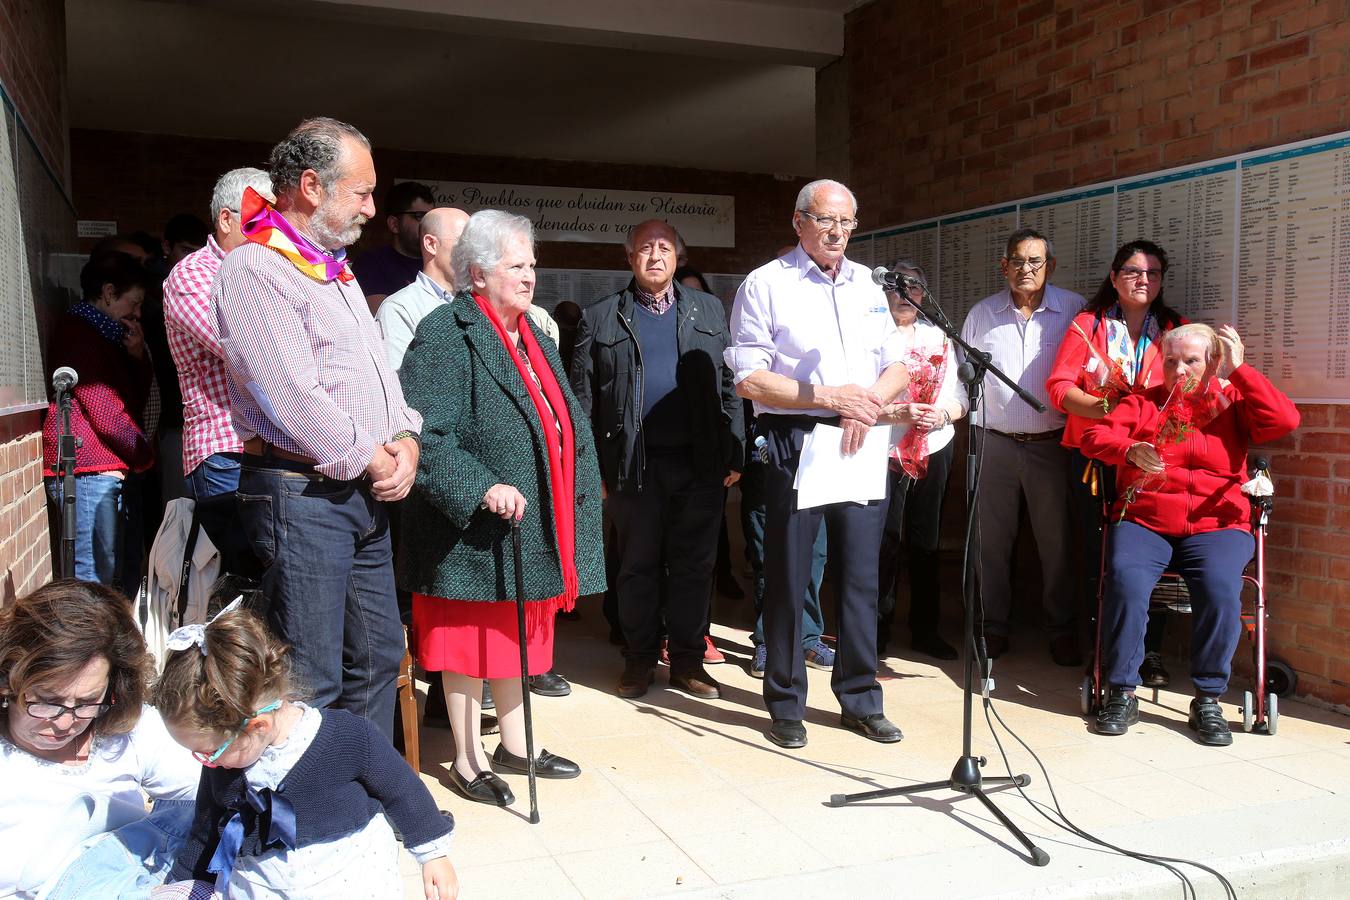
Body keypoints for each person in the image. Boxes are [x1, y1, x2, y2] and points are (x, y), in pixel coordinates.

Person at [213, 117, 423, 741]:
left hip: (358, 488)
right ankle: (312, 816)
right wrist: (371, 456)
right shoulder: (257, 267)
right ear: (310, 186)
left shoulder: (334, 269)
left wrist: (407, 438)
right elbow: (286, 394)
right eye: (360, 192)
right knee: (313, 673)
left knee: (380, 655)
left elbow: (380, 376)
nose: (371, 207)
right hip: (303, 493)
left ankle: (360, 795)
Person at [398, 210, 605, 807]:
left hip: (530, 527)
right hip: (472, 531)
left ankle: (517, 743)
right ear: (479, 273)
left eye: (532, 264)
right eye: (517, 265)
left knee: (521, 639)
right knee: (471, 644)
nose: (530, 276)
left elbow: (559, 422)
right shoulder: (447, 332)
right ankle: (467, 759)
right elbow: (423, 433)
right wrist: (480, 485)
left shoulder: (534, 335)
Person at [726, 178, 909, 749]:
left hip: (861, 435)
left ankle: (859, 698)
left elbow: (896, 363)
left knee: (859, 576)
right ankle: (785, 701)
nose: (837, 233)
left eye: (848, 223)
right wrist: (833, 398)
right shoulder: (766, 283)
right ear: (798, 221)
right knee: (788, 575)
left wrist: (867, 403)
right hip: (796, 438)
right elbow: (750, 376)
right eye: (826, 221)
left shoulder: (869, 285)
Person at [1081, 324, 1298, 746]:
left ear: (1212, 362)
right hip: (1147, 519)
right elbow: (1094, 435)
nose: (1179, 370)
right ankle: (1122, 690)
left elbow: (1284, 420)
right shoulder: (1145, 403)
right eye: (1171, 361)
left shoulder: (1232, 399)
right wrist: (1127, 450)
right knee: (1124, 580)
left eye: (1191, 361)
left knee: (1221, 588)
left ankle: (1208, 697)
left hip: (1217, 522)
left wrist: (1240, 371)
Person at [154, 603, 458, 898]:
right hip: (263, 885)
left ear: (257, 726)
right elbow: (205, 829)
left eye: (209, 752)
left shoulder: (347, 738)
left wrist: (434, 855)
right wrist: (184, 884)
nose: (207, 763)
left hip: (351, 880)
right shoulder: (224, 767)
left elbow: (402, 790)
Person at [572, 220, 744, 701]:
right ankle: (640, 659)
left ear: (678, 257)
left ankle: (689, 661)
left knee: (694, 565)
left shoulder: (708, 309)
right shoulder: (602, 317)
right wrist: (592, 470)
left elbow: (730, 387)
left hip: (701, 465)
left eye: (664, 248)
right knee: (637, 567)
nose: (655, 256)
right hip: (632, 467)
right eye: (644, 249)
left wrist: (734, 451)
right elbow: (581, 402)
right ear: (629, 259)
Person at [0, 580, 200, 899]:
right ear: (9, 681)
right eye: (47, 700)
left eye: (86, 702)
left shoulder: (127, 732)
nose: (65, 722)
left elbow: (215, 790)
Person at [1047, 239, 1185, 686]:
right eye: (1132, 271)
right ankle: (1103, 651)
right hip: (1095, 457)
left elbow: (1187, 391)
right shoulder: (1089, 325)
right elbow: (1059, 388)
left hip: (1149, 460)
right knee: (1099, 554)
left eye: (1152, 273)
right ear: (1113, 276)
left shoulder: (1174, 328)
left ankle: (1151, 652)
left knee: (1151, 557)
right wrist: (1111, 411)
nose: (1143, 280)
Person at [960, 227, 1084, 665]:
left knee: (1057, 543)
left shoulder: (1073, 310)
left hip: (1051, 444)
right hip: (994, 443)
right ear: (1003, 265)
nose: (1025, 269)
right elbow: (964, 380)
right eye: (1016, 260)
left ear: (1050, 266)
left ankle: (1062, 628)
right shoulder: (982, 314)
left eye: (1034, 261)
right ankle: (992, 626)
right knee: (990, 542)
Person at [43, 252, 154, 594]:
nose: (137, 313)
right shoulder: (81, 334)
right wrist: (145, 457)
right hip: (89, 471)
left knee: (105, 578)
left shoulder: (107, 335)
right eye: (133, 302)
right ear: (108, 293)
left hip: (101, 470)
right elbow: (107, 414)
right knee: (92, 581)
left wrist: (136, 357)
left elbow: (133, 403)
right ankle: (89, 649)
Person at [163, 167, 275, 503]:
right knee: (232, 555)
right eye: (265, 216)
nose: (275, 229)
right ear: (226, 220)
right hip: (225, 450)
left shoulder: (267, 268)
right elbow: (246, 352)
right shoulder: (191, 276)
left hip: (271, 445)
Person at [876, 259, 968, 660]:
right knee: (884, 541)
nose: (905, 294)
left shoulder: (941, 337)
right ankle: (876, 629)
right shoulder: (873, 334)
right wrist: (898, 412)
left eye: (914, 287)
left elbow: (961, 395)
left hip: (933, 444)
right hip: (884, 447)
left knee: (925, 540)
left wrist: (942, 413)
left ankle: (925, 629)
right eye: (897, 286)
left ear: (925, 294)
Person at [376, 207, 471, 372]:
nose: (473, 253)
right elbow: (396, 384)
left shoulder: (476, 302)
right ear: (431, 244)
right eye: (463, 243)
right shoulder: (399, 308)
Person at [353, 180, 437, 313]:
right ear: (394, 224)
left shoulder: (439, 262)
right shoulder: (372, 263)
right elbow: (382, 317)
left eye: (431, 218)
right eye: (420, 217)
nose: (428, 225)